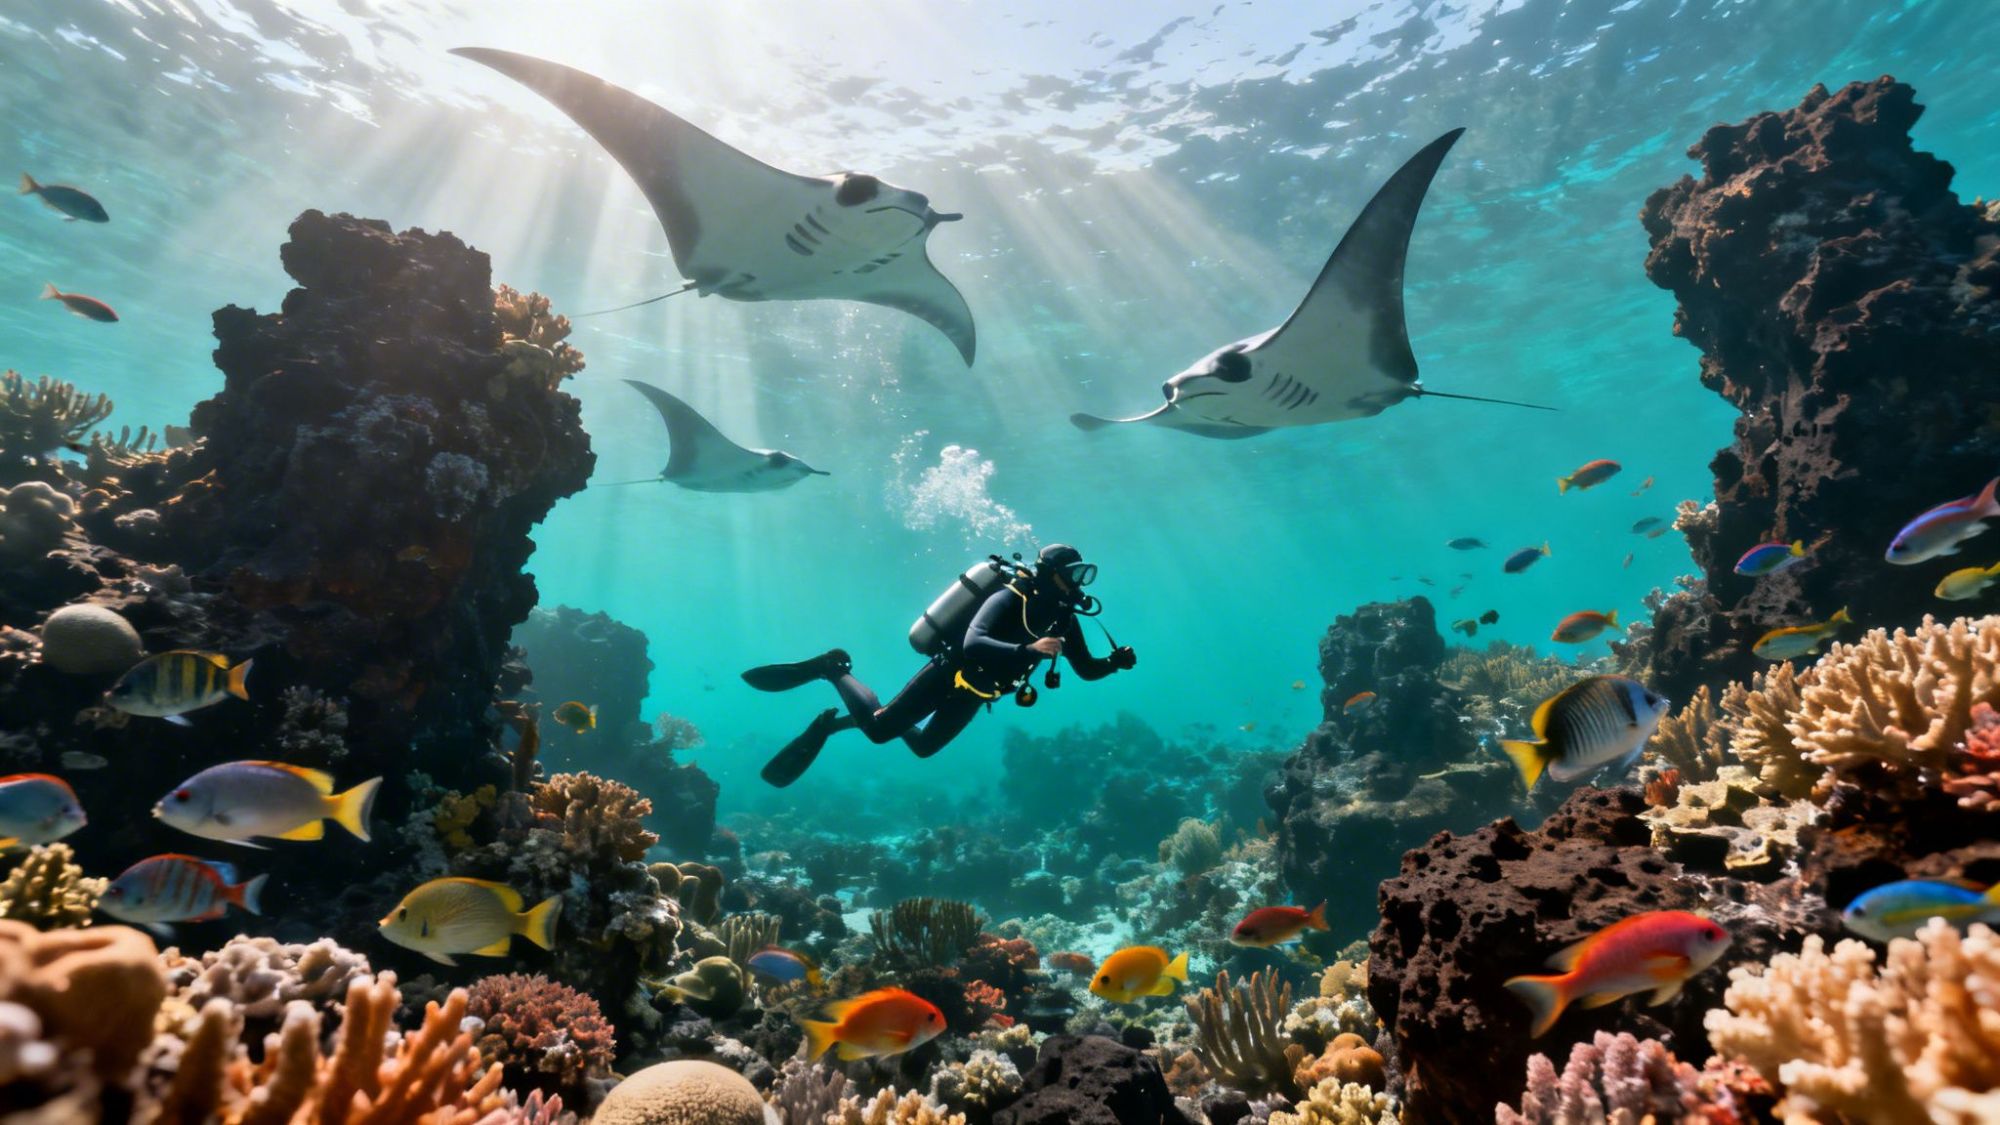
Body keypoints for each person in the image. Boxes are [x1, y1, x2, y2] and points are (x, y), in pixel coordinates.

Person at [744, 543, 1137, 787]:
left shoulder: (1064, 620)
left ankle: (849, 719)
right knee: (880, 731)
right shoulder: (1008, 597)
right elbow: (974, 641)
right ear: (1051, 574)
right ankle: (832, 668)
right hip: (951, 671)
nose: (1081, 585)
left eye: (1084, 575)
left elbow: (1086, 669)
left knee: (925, 747)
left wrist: (1113, 663)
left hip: (978, 693)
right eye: (1074, 576)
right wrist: (1029, 651)